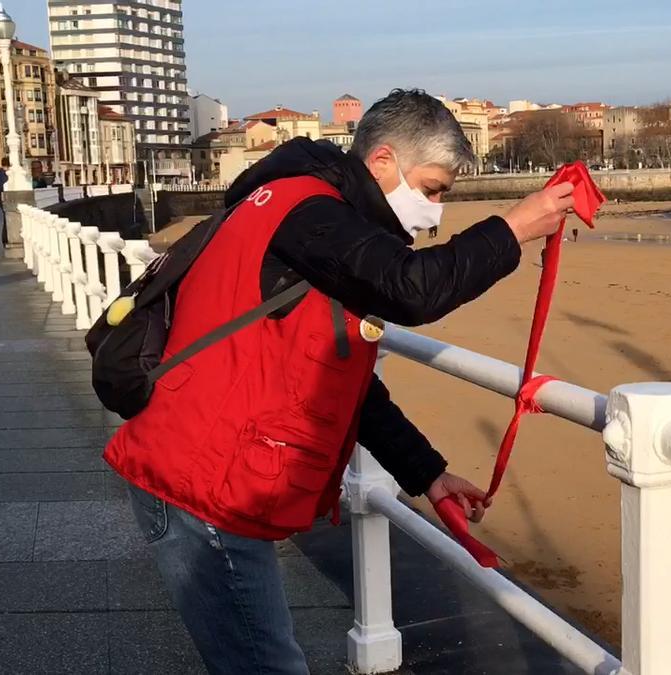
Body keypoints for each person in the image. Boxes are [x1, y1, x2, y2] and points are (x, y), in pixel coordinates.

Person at [104, 89, 574, 675]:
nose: (433, 210)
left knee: (260, 659)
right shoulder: (311, 212)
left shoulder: (297, 206)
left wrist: (425, 472)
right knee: (267, 664)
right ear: (382, 162)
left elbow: (338, 372)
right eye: (430, 188)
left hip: (201, 470)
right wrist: (513, 228)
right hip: (201, 483)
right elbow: (412, 290)